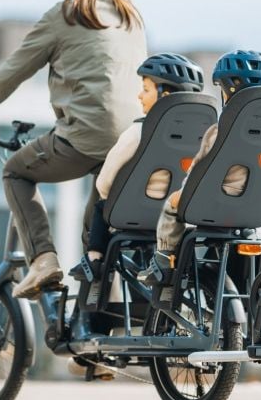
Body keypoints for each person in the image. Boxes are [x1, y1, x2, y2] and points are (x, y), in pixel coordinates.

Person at [0, 0, 147, 298]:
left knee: (15, 171)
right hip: (133, 144)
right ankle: (92, 337)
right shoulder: (132, 19)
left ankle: (43, 260)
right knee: (97, 238)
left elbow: (15, 69)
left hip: (84, 140)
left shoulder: (66, 15)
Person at [138, 50, 261, 286]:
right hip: (258, 207)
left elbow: (199, 169)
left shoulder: (221, 130)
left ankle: (164, 258)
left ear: (229, 90)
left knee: (174, 203)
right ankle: (242, 287)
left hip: (217, 204)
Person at [68, 52, 206, 282]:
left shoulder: (138, 132)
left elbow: (105, 182)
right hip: (179, 215)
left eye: (146, 89)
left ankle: (94, 259)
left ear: (165, 94)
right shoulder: (204, 136)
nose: (140, 95)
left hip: (134, 214)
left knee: (101, 205)